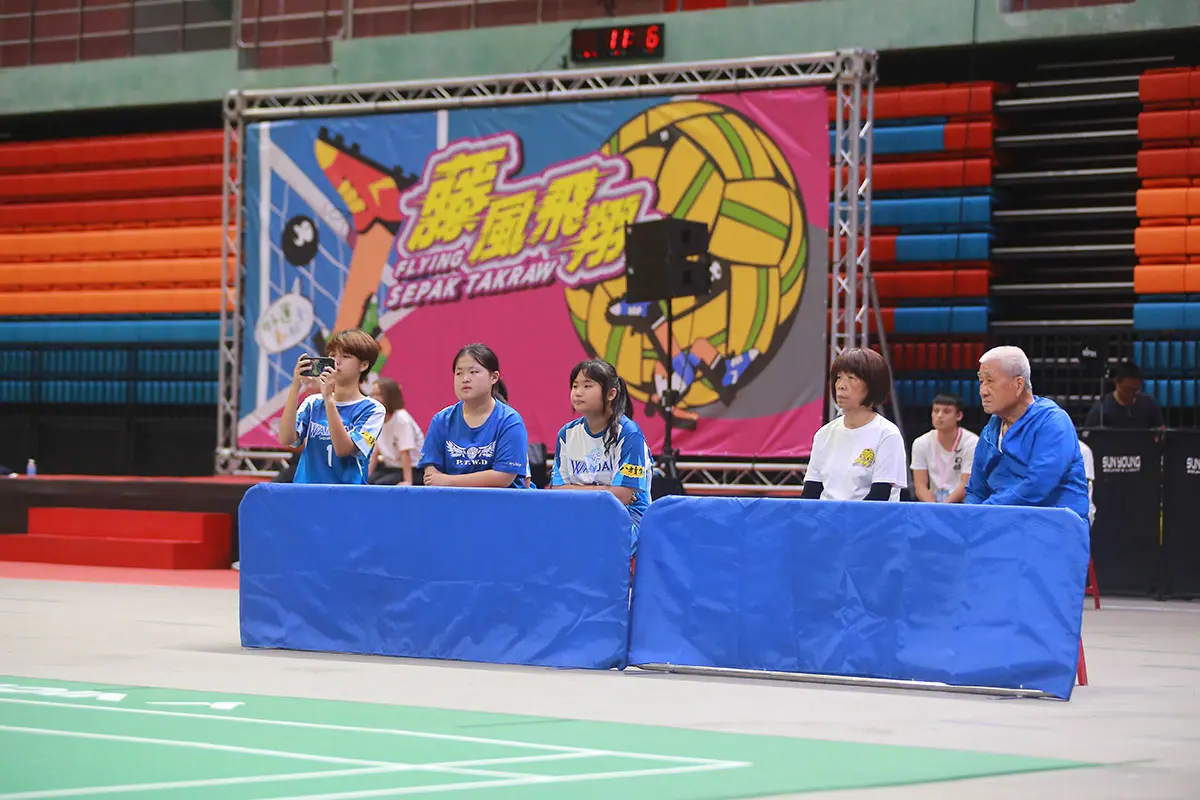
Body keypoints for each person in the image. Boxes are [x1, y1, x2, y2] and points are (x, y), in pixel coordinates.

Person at [965, 346, 1089, 522]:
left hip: (1051, 526)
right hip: (999, 524)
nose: (982, 391)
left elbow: (1037, 485)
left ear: (1018, 384)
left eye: (990, 381)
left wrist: (986, 512)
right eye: (981, 381)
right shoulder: (989, 432)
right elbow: (975, 490)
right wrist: (970, 519)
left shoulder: (1052, 422)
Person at [549, 359, 653, 541]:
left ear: (611, 394)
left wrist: (575, 489)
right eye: (575, 386)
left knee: (594, 539)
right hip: (580, 515)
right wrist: (605, 489)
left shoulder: (629, 434)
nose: (578, 392)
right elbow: (557, 490)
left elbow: (621, 497)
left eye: (587, 386)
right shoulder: (566, 434)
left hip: (628, 518)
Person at [277, 328, 385, 485]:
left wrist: (328, 399)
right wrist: (295, 386)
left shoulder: (373, 410)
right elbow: (286, 439)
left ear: (363, 365)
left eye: (346, 356)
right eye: (332, 355)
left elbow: (343, 450)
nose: (336, 362)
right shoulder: (313, 403)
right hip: (307, 490)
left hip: (346, 493)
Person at [802, 348, 907, 502]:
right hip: (826, 515)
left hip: (868, 516)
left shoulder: (887, 434)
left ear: (872, 385)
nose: (841, 385)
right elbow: (810, 493)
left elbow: (880, 497)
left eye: (851, 378)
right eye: (838, 377)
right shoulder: (824, 434)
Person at [418, 343, 528, 489]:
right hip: (453, 500)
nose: (465, 379)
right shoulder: (441, 420)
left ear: (494, 377)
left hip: (501, 501)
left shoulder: (510, 421)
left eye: (474, 372)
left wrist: (448, 481)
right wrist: (439, 480)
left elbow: (504, 477)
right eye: (459, 373)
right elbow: (431, 472)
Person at [910, 394, 978, 504]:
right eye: (936, 411)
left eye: (946, 411)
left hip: (962, 504)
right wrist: (934, 507)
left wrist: (944, 508)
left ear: (959, 416)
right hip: (932, 504)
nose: (939, 415)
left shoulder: (972, 443)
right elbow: (920, 485)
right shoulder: (921, 442)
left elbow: (966, 484)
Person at [368, 377, 425, 486]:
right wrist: (366, 476)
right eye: (373, 394)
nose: (374, 398)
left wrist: (407, 481)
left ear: (390, 397)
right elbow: (374, 452)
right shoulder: (377, 418)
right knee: (370, 482)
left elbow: (405, 453)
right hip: (390, 467)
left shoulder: (401, 419)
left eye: (379, 394)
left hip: (413, 469)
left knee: (380, 485)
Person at [1083, 361, 1164, 430]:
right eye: (1126, 389)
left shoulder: (1148, 404)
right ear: (1116, 383)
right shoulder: (1101, 408)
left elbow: (1160, 429)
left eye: (1135, 389)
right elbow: (1089, 435)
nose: (1130, 393)